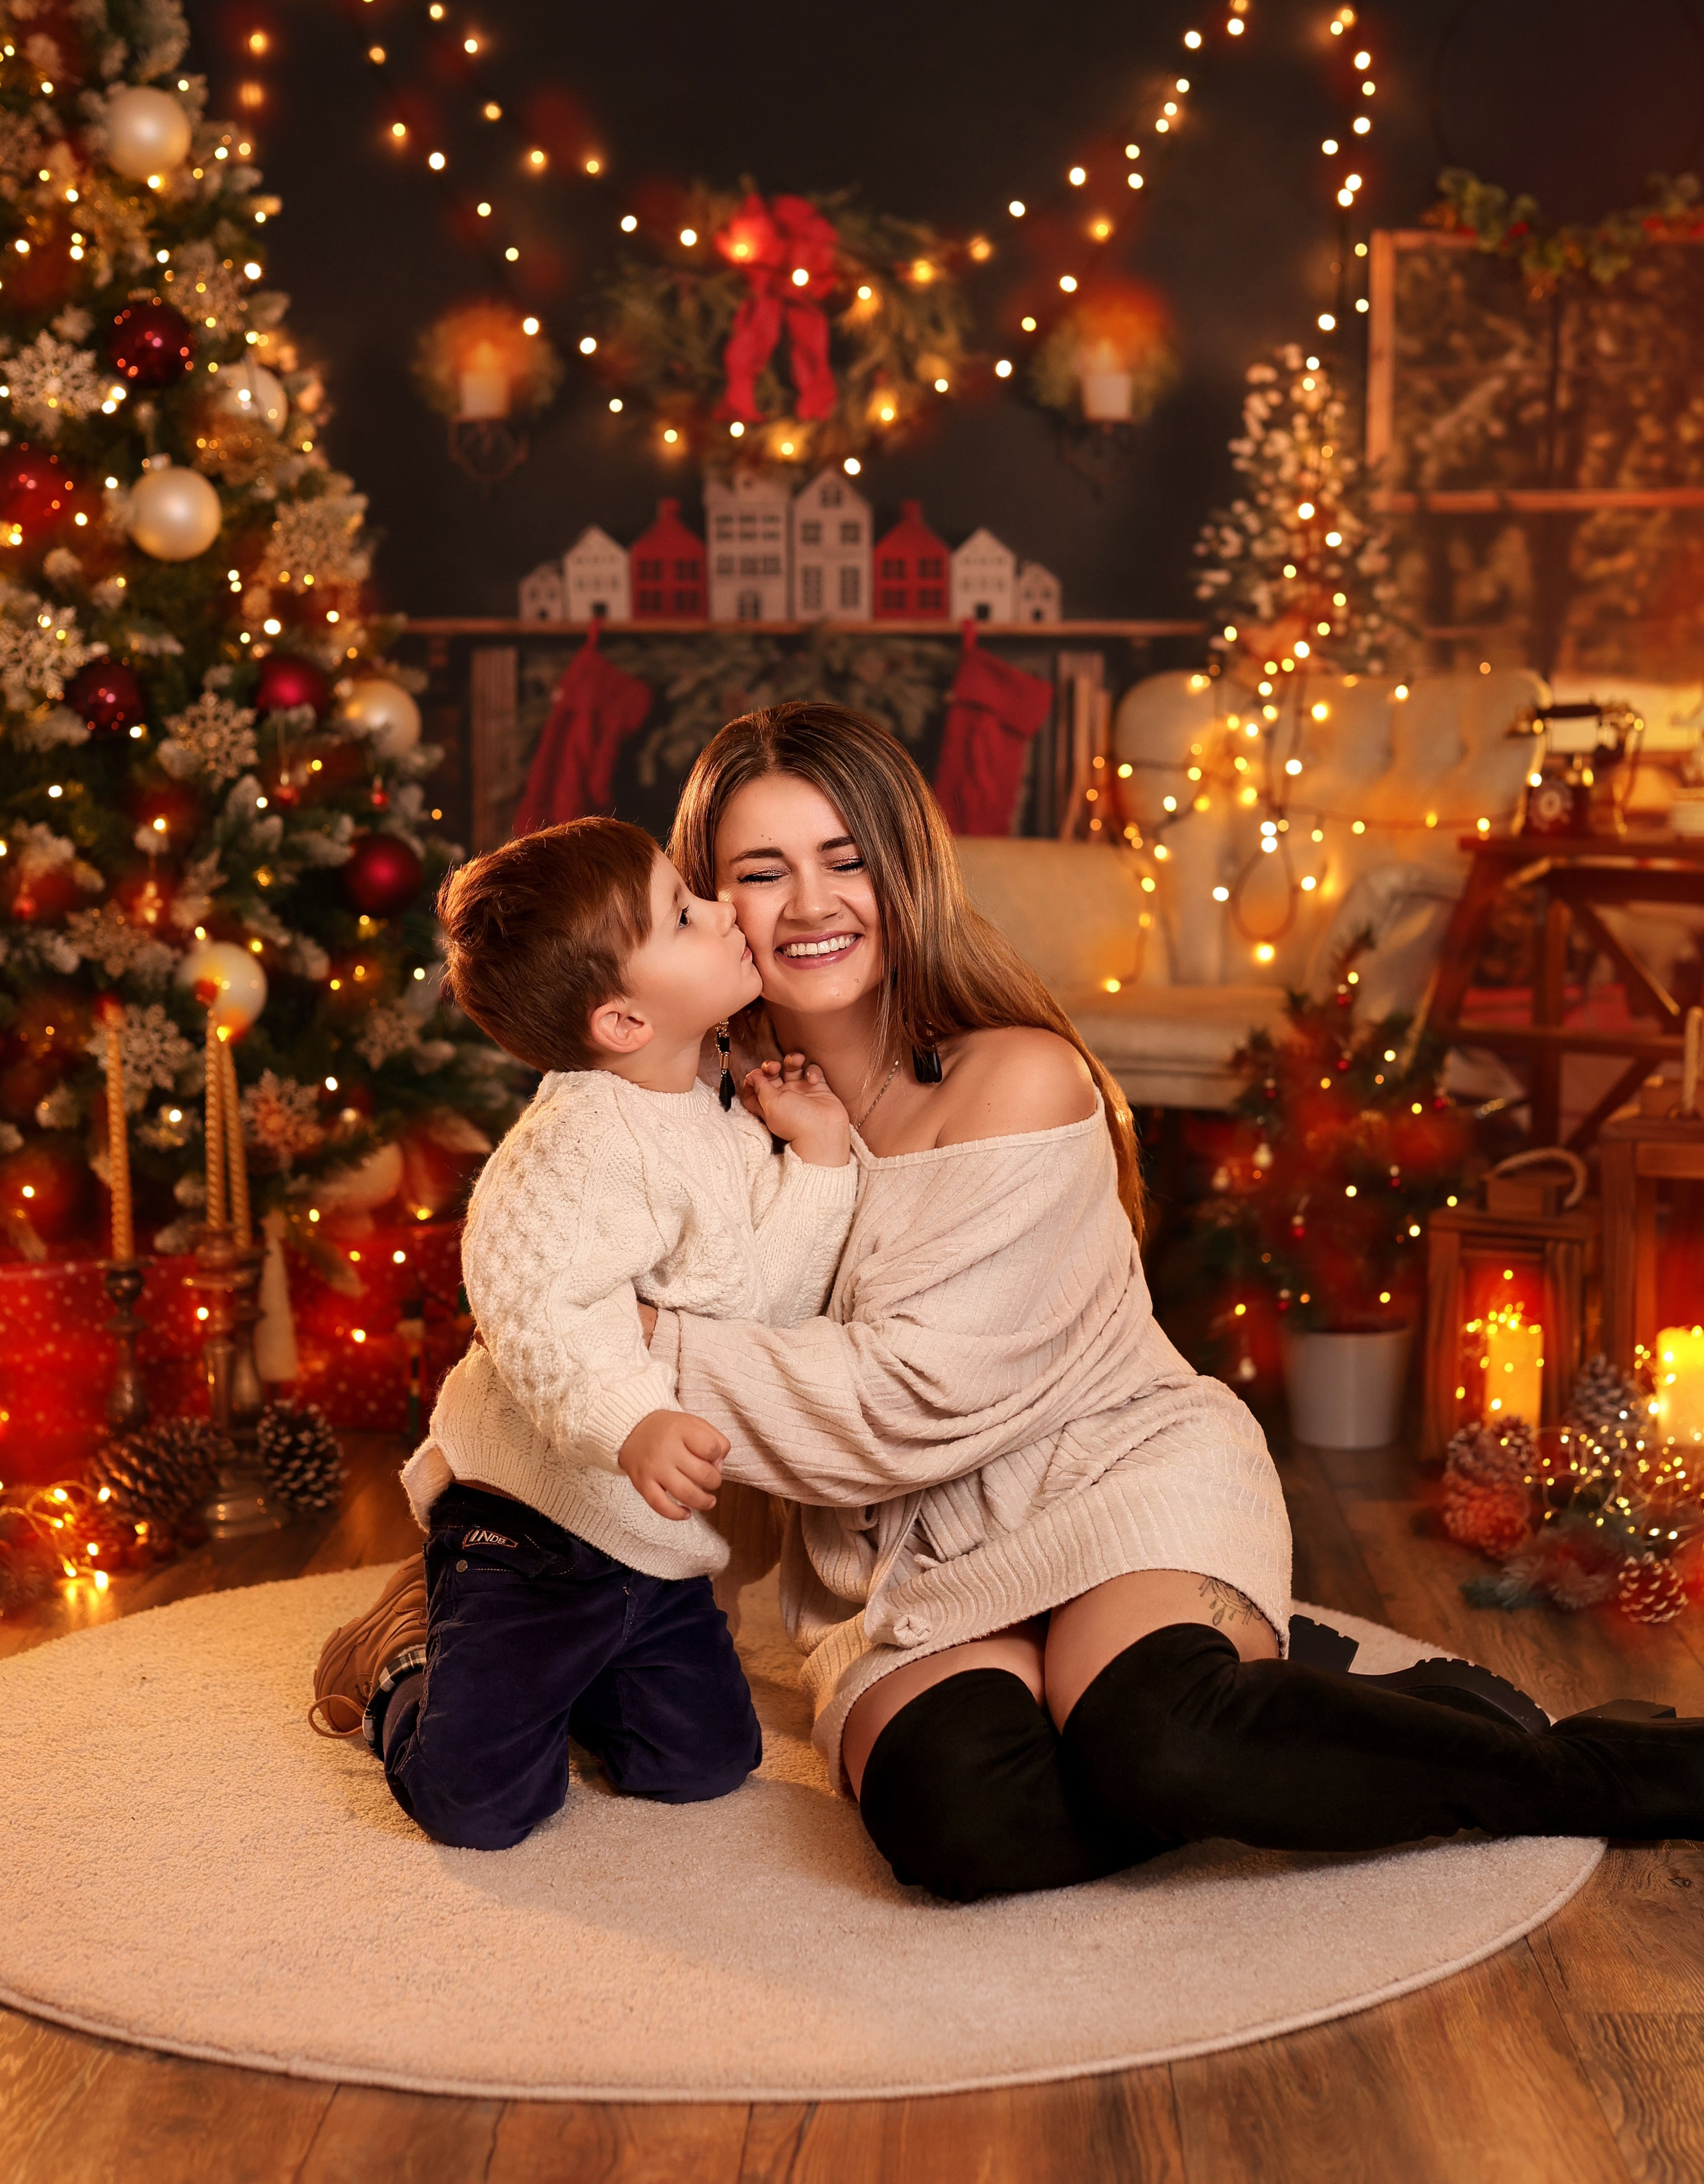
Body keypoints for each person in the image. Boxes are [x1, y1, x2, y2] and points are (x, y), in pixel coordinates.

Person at [642, 700, 1704, 1902]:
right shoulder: (697, 1125)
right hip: (910, 1554)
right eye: (762, 871)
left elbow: (908, 1402)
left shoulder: (1019, 1077)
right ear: (709, 900)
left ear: (906, 870)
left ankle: (1589, 1769)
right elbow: (570, 1353)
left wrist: (650, 1348)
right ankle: (1335, 1714)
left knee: (1160, 1742)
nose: (813, 904)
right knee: (964, 1823)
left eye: (847, 859)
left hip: (1113, 1474)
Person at [311, 815, 857, 1851]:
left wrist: (820, 1159)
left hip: (648, 1547)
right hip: (530, 1529)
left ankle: (578, 1685)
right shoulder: (568, 1143)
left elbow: (763, 1298)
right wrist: (633, 1420)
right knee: (482, 1805)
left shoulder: (711, 1111)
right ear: (618, 1020)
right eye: (686, 916)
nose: (725, 912)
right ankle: (398, 1661)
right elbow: (541, 1306)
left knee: (702, 1764)